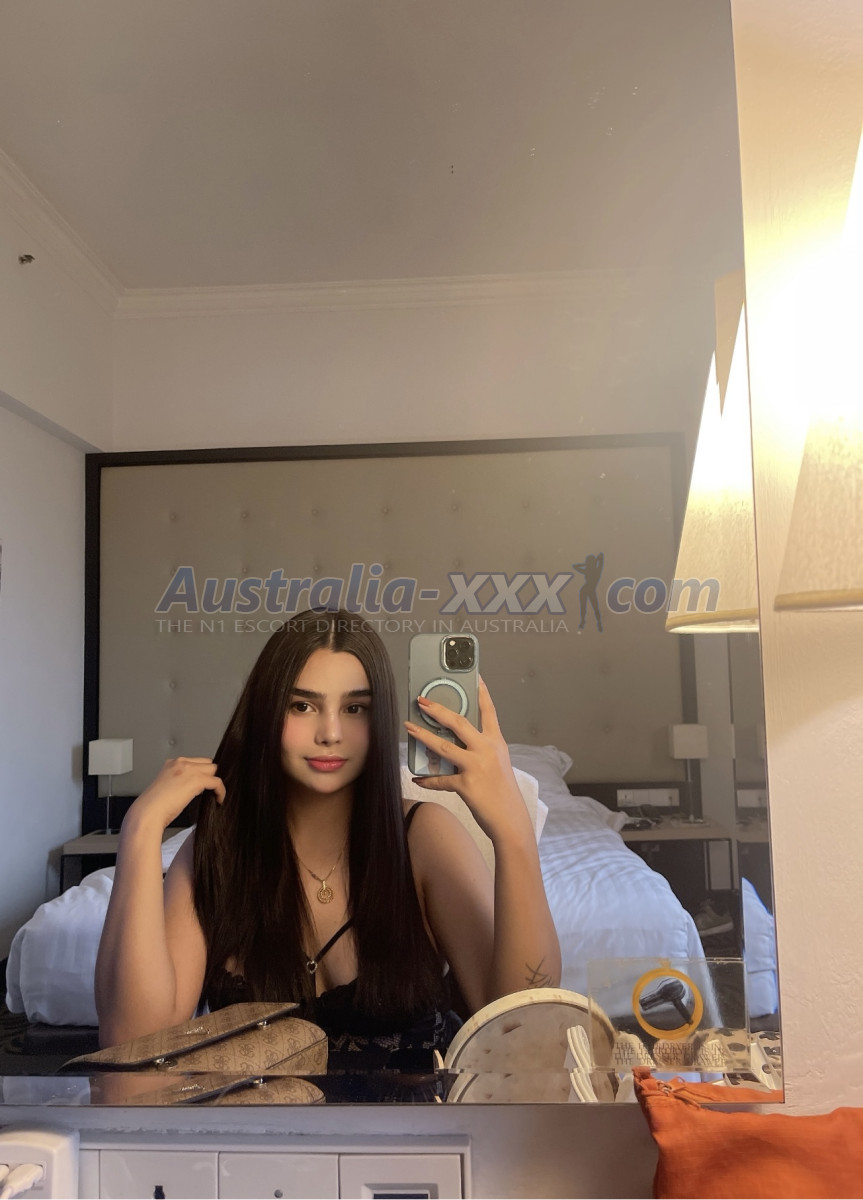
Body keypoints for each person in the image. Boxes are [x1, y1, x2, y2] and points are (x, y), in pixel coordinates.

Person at [95, 610, 561, 1071]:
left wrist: (514, 834)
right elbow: (133, 1043)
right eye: (302, 706)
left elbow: (521, 1032)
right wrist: (141, 830)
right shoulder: (217, 849)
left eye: (355, 709)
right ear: (266, 711)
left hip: (414, 1121)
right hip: (255, 1123)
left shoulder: (424, 837)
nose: (330, 734)